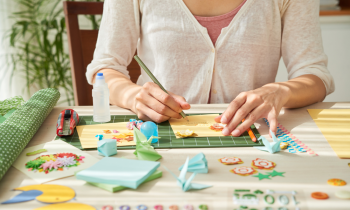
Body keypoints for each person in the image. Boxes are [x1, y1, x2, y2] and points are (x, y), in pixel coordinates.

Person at [87, 0, 334, 137]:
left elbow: (314, 75)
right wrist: (133, 96)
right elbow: (106, 67)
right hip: (154, 134)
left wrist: (280, 91)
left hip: (250, 136)